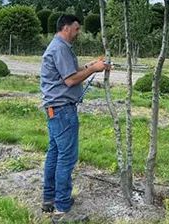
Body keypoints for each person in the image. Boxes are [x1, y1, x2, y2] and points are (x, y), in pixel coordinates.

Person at [41, 14, 107, 223]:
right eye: (77, 29)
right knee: (66, 158)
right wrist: (93, 70)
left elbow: (69, 72)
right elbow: (70, 80)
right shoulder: (60, 48)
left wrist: (89, 66)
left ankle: (49, 200)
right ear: (66, 28)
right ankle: (62, 210)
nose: (79, 33)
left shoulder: (59, 47)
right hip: (62, 110)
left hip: (55, 110)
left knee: (55, 154)